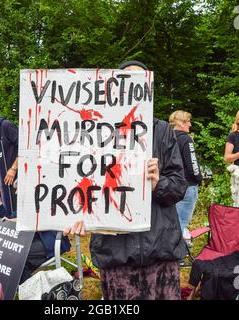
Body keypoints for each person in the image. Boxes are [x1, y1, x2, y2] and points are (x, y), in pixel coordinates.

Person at [64, 61, 188, 300]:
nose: (134, 86)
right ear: (116, 88)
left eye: (141, 81)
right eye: (127, 80)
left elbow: (179, 186)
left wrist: (158, 183)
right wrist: (74, 214)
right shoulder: (93, 130)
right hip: (116, 255)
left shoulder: (162, 131)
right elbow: (78, 182)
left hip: (160, 252)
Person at [169, 110, 203, 242]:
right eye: (188, 121)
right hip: (187, 185)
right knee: (181, 223)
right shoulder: (186, 139)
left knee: (171, 222)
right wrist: (199, 178)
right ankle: (178, 255)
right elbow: (192, 162)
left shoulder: (166, 137)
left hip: (169, 185)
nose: (190, 124)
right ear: (181, 123)